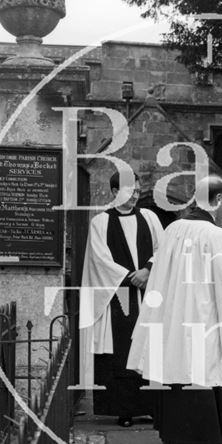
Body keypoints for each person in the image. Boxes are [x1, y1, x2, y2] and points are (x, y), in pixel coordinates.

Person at [127, 176, 222, 444]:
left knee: (173, 375)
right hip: (202, 320)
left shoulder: (173, 229)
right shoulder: (217, 236)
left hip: (172, 320)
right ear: (219, 200)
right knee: (198, 379)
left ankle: (173, 439)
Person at [79, 173, 164, 427]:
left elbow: (164, 248)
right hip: (117, 296)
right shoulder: (100, 222)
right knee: (120, 353)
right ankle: (123, 409)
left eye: (138, 191)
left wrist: (148, 270)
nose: (135, 195)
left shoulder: (149, 218)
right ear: (114, 191)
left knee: (149, 348)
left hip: (149, 294)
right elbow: (99, 261)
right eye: (130, 191)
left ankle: (151, 406)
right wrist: (130, 277)